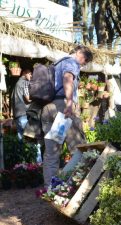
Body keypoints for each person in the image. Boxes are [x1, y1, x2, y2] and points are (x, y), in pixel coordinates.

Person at [41, 46, 93, 185]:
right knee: (79, 149)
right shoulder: (72, 62)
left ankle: (49, 189)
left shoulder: (57, 62)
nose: (83, 64)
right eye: (85, 61)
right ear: (81, 56)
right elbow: (68, 78)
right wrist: (69, 102)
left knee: (52, 153)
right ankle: (79, 188)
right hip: (63, 109)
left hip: (49, 108)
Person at [12, 69, 32, 140]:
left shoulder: (17, 83)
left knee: (20, 142)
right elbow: (28, 99)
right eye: (29, 74)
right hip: (24, 114)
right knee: (30, 140)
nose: (31, 76)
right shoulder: (25, 82)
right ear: (24, 73)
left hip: (17, 115)